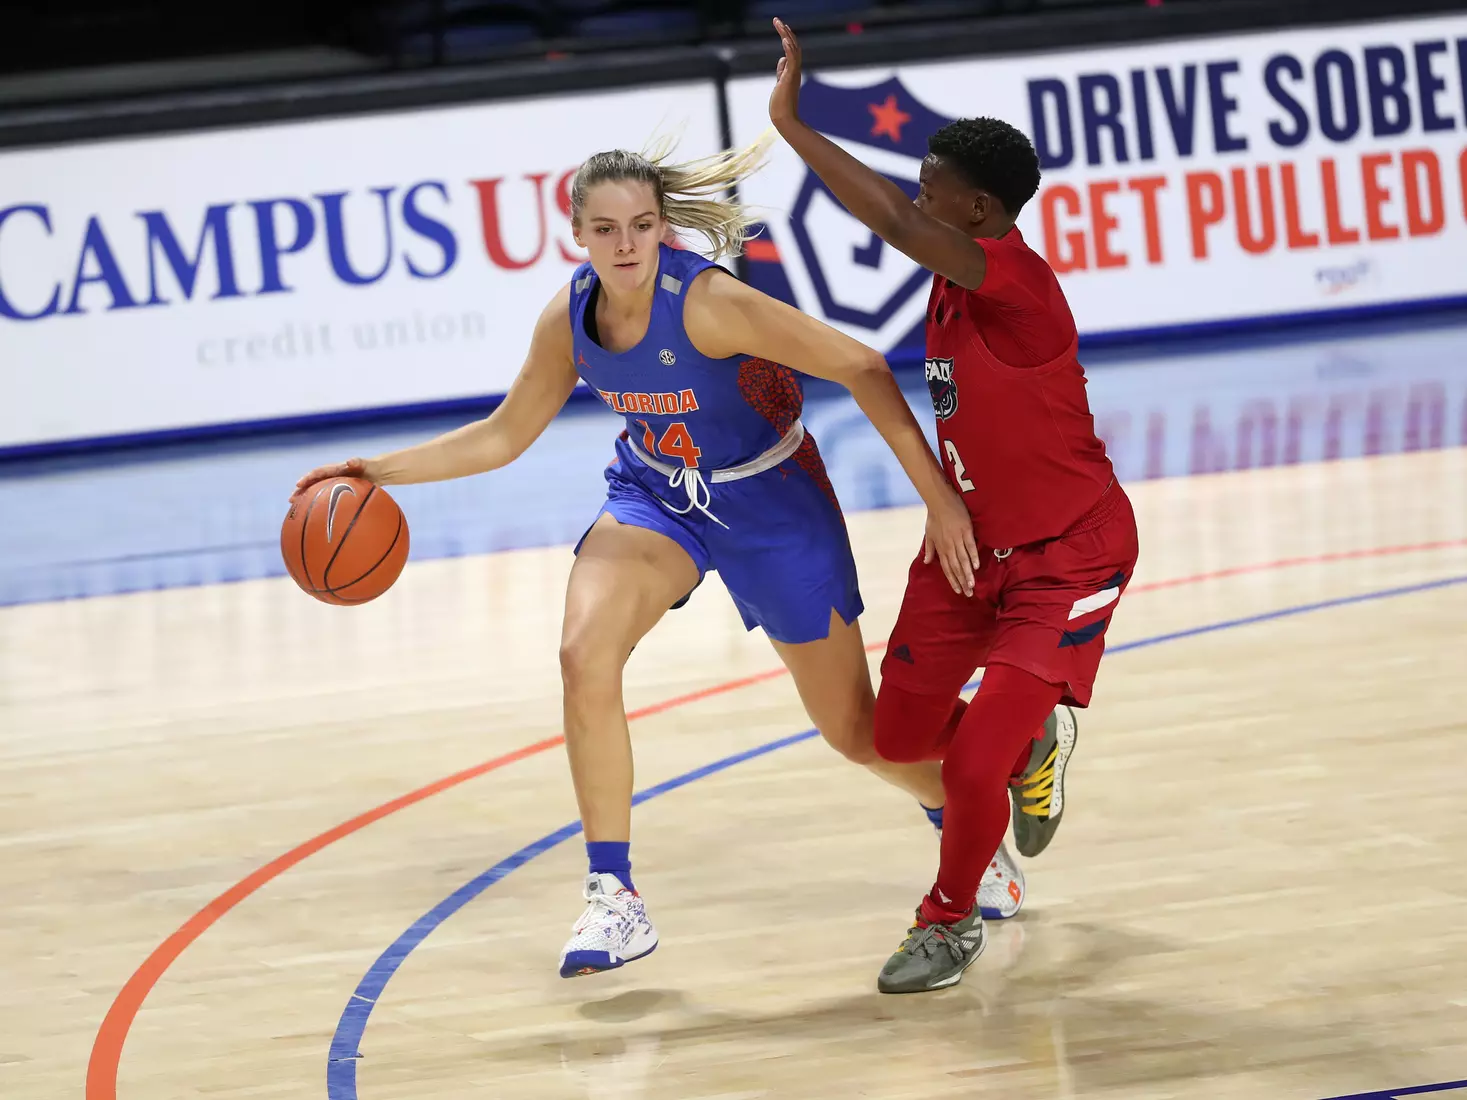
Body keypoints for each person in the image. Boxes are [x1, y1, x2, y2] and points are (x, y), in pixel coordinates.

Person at [291, 133, 1018, 980]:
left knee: (857, 734)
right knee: (581, 652)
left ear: (664, 227)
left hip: (771, 501)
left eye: (641, 225)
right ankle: (614, 895)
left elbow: (859, 364)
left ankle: (966, 820)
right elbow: (503, 434)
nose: (626, 244)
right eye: (606, 229)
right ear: (578, 235)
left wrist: (936, 499)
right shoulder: (570, 318)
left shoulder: (708, 302)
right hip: (658, 495)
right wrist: (374, 471)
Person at [768, 18, 1141, 994]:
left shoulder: (1013, 282)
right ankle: (1032, 736)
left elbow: (892, 221)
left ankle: (949, 921)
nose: (916, 196)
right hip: (971, 547)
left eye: (932, 186)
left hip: (1068, 555)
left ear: (977, 208)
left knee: (974, 768)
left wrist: (793, 124)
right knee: (895, 735)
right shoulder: (949, 278)